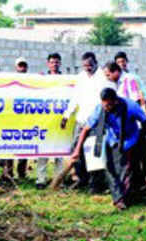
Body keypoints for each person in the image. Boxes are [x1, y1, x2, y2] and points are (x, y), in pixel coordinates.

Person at [71, 88, 146, 210]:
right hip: (112, 139)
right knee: (110, 168)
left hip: (129, 139)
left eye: (108, 105)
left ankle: (123, 199)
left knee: (124, 169)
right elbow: (86, 129)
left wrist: (143, 142)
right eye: (104, 105)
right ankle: (118, 196)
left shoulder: (130, 106)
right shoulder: (99, 109)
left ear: (115, 101)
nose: (106, 108)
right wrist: (77, 150)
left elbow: (144, 121)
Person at [61, 52, 112, 192]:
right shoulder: (81, 77)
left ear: (96, 62)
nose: (87, 68)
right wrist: (66, 115)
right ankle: (81, 178)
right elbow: (75, 98)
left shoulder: (103, 77)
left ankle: (96, 183)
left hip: (98, 121)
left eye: (90, 65)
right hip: (82, 120)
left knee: (95, 152)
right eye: (84, 66)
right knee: (76, 150)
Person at [104, 61, 146, 188]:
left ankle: (141, 183)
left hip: (133, 123)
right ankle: (132, 184)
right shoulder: (115, 84)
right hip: (123, 125)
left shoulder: (129, 79)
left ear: (116, 71)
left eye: (108, 75)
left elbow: (136, 100)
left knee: (137, 157)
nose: (107, 78)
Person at [0, 57, 29, 186]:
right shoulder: (10, 80)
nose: (22, 68)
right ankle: (9, 173)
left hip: (25, 118)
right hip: (11, 118)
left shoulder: (32, 80)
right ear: (16, 67)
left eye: (24, 66)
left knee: (25, 146)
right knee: (10, 146)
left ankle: (22, 173)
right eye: (20, 66)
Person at [36, 53, 64, 189]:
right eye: (52, 62)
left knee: (60, 151)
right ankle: (41, 179)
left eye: (57, 62)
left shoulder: (65, 80)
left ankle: (58, 180)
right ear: (48, 64)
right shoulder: (43, 78)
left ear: (60, 64)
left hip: (60, 120)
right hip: (45, 119)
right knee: (43, 150)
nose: (55, 64)